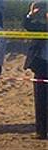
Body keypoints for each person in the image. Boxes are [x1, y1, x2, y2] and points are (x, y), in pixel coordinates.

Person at [23, 1, 48, 139]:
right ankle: (41, 131)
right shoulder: (41, 28)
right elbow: (26, 25)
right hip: (42, 66)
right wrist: (31, 13)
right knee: (40, 100)